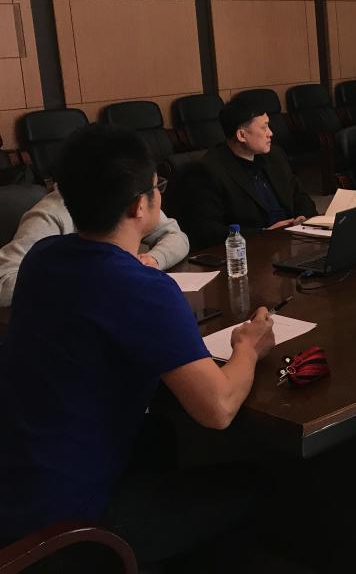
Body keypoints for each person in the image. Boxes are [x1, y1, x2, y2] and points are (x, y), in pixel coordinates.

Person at [0, 125, 276, 565]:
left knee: (160, 436)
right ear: (139, 205)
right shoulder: (142, 289)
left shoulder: (42, 258)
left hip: (17, 487)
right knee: (254, 483)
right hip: (67, 527)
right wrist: (249, 346)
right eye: (156, 186)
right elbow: (219, 408)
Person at [0, 187, 189, 307]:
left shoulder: (127, 196)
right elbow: (4, 282)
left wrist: (154, 259)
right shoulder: (51, 214)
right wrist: (89, 279)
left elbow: (177, 237)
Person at [181, 92, 316, 249]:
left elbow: (300, 196)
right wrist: (263, 234)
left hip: (294, 241)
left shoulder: (274, 155)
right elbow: (208, 230)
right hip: (252, 250)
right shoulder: (209, 170)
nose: (270, 133)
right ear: (241, 135)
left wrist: (302, 217)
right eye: (264, 128)